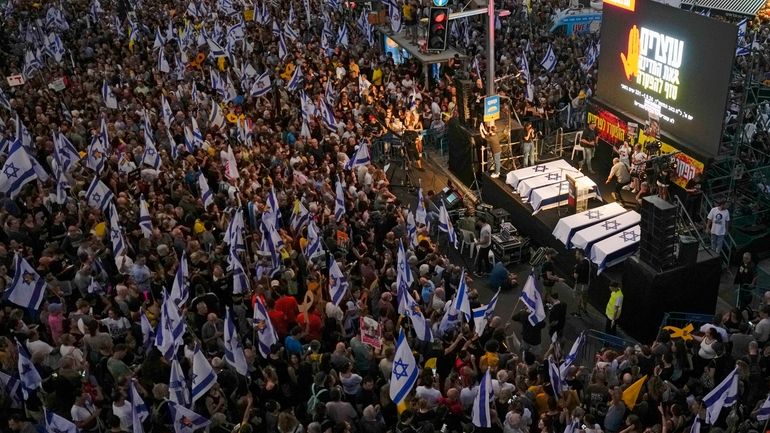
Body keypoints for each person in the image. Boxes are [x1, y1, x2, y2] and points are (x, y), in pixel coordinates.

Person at [571, 249, 590, 318]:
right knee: (584, 297)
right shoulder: (588, 262)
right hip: (586, 284)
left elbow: (576, 276)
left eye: (576, 254)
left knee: (577, 297)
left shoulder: (579, 265)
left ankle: (578, 313)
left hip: (580, 284)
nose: (575, 255)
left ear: (580, 254)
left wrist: (574, 271)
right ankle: (584, 309)